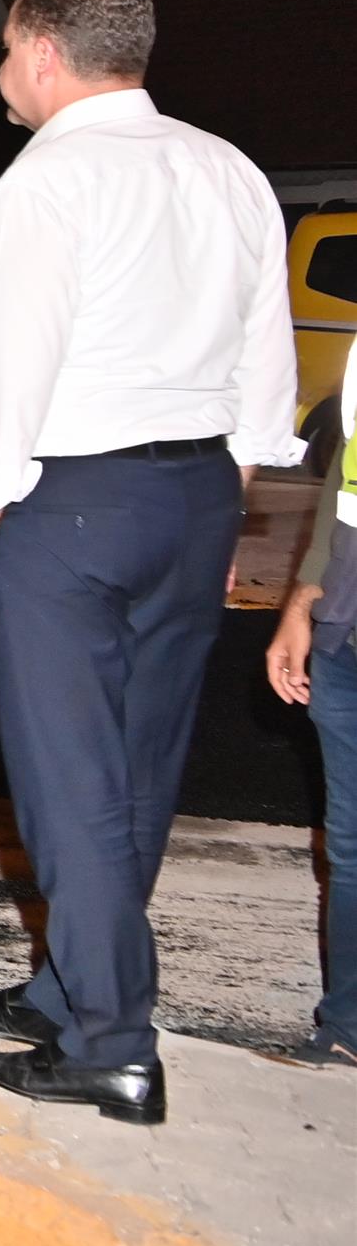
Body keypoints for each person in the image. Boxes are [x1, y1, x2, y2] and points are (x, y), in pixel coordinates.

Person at [0, 0, 299, 1125]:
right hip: (193, 495)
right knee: (134, 773)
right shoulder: (225, 167)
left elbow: (6, 370)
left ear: (40, 50)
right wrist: (214, 488)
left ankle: (108, 1042)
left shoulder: (43, 184)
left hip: (68, 507)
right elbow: (263, 357)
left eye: (3, 48)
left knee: (67, 785)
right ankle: (66, 988)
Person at [264, 361, 357, 1068]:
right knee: (350, 851)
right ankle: (348, 1024)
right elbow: (345, 482)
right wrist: (304, 599)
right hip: (346, 633)